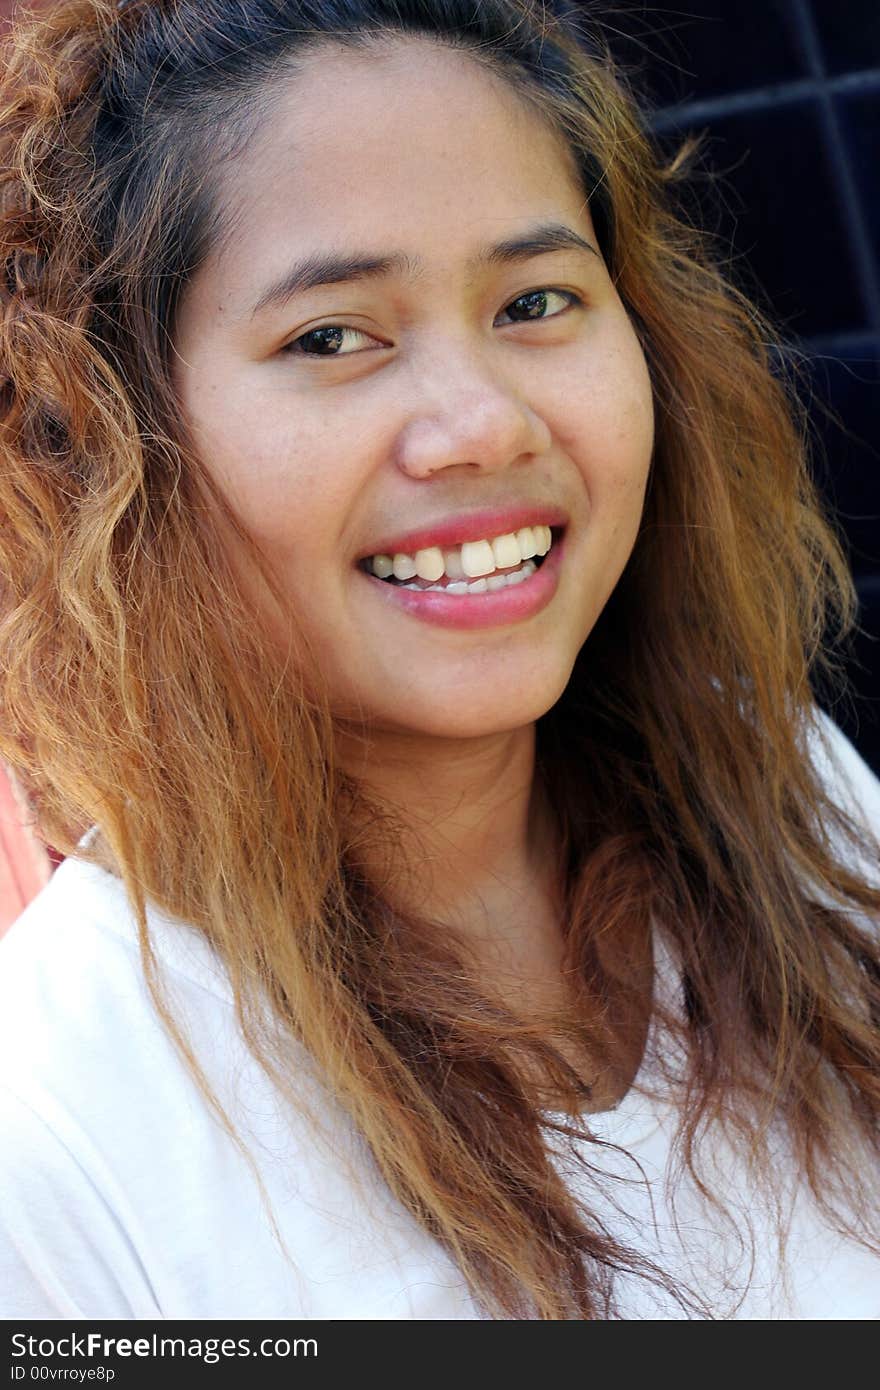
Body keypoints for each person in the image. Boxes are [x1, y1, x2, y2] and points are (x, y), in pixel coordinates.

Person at [0, 0, 878, 1322]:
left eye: (536, 301)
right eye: (333, 336)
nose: (481, 424)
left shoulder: (783, 778)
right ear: (115, 434)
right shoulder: (61, 1134)